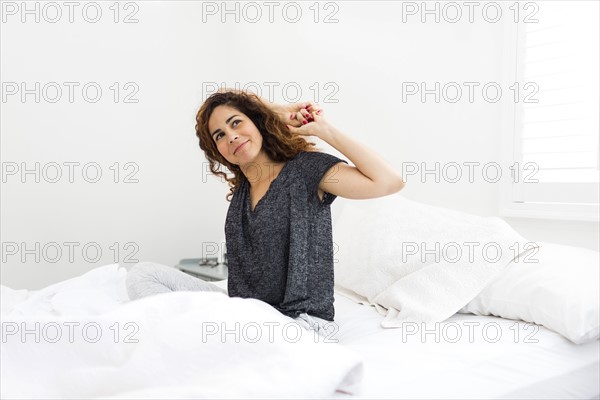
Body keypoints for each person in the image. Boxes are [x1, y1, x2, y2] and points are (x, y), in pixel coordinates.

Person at [126, 90, 405, 337]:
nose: (231, 136)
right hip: (243, 312)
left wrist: (323, 130)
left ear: (257, 123)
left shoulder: (305, 170)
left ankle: (186, 339)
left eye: (236, 122)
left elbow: (389, 181)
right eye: (219, 135)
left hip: (299, 323)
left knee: (227, 336)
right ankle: (179, 337)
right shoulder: (242, 191)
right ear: (218, 152)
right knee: (143, 274)